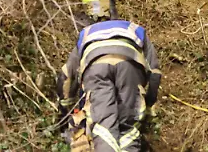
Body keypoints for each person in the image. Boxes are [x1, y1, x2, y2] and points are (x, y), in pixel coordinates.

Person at [57, 18, 161, 152]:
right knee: (128, 129)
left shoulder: (86, 34)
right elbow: (155, 73)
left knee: (104, 129)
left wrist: (65, 109)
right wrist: (149, 103)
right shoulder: (136, 29)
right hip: (130, 66)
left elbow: (66, 76)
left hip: (95, 68)